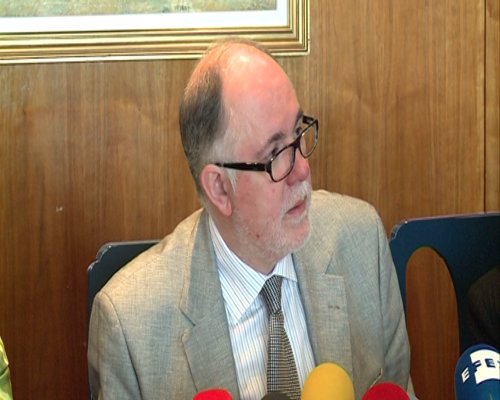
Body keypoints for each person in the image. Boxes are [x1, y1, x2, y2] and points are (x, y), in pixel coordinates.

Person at [88, 37, 413, 399]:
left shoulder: (362, 243)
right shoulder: (130, 326)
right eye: (275, 154)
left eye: (299, 133)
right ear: (219, 188)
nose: (302, 170)